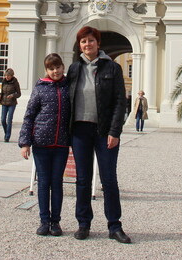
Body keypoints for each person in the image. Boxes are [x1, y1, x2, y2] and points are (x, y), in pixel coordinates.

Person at [67, 26, 131, 244]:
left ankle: (114, 225)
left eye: (91, 41)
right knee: (82, 180)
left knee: (109, 180)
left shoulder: (112, 68)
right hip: (80, 130)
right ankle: (83, 223)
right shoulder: (74, 68)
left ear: (98, 43)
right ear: (80, 45)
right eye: (83, 41)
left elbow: (120, 102)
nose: (87, 45)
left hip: (104, 131)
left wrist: (115, 131)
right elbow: (67, 99)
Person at [19, 53, 71, 237]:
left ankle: (55, 221)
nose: (55, 71)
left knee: (56, 183)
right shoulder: (40, 88)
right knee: (43, 183)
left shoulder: (68, 87)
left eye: (57, 67)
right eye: (51, 68)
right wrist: (25, 143)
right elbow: (29, 115)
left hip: (61, 144)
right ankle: (43, 221)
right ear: (46, 70)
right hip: (41, 143)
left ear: (63, 67)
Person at [0, 68, 22, 142]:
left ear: (12, 76)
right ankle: (6, 133)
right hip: (4, 102)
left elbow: (19, 94)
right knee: (2, 119)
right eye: (6, 75)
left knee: (9, 119)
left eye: (8, 76)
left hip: (12, 103)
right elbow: (2, 91)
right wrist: (0, 95)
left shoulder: (15, 82)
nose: (7, 77)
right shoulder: (4, 81)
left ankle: (7, 137)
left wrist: (13, 95)